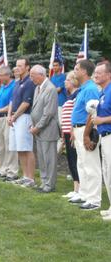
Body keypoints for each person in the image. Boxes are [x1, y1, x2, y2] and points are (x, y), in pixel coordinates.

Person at [69, 59, 101, 210]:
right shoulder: (83, 88)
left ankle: (94, 199)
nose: (74, 71)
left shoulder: (90, 89)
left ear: (84, 71)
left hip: (85, 129)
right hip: (79, 129)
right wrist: (74, 130)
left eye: (76, 69)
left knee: (91, 165)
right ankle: (84, 194)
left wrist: (86, 134)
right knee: (81, 163)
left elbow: (92, 113)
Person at [30, 65, 59, 193]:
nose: (31, 79)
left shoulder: (50, 89)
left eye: (33, 76)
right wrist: (33, 125)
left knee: (49, 159)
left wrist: (37, 127)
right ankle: (44, 182)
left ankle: (50, 185)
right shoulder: (37, 88)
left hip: (47, 130)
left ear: (41, 75)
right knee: (42, 158)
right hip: (38, 130)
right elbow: (35, 109)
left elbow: (49, 113)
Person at [8, 58, 36, 188]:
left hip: (24, 117)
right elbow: (13, 101)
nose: (17, 68)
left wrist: (14, 117)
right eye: (16, 65)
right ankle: (25, 176)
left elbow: (26, 103)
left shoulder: (30, 82)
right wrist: (10, 116)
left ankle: (31, 178)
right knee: (20, 149)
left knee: (27, 148)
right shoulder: (17, 82)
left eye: (20, 66)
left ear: (27, 67)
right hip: (15, 118)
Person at [93, 61, 111, 220]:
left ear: (108, 75)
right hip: (104, 136)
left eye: (99, 72)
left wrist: (102, 120)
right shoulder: (103, 92)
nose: (96, 75)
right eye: (95, 72)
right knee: (107, 173)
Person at [0, 66, 18, 180]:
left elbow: (12, 104)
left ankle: (12, 171)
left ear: (8, 75)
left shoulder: (14, 86)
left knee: (10, 145)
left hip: (7, 117)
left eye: (1, 75)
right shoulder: (3, 87)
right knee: (1, 146)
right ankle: (3, 169)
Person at [61, 71, 80, 199]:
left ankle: (80, 188)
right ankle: (75, 188)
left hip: (73, 133)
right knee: (70, 160)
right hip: (67, 132)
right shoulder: (69, 96)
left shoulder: (77, 95)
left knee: (75, 159)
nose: (65, 82)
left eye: (67, 80)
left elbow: (76, 114)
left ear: (73, 81)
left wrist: (72, 130)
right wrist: (64, 131)